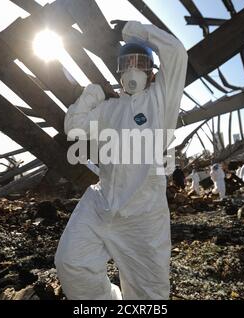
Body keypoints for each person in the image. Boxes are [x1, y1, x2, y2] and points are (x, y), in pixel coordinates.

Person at [54, 20, 188, 300]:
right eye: (126, 63)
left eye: (140, 62)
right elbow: (75, 127)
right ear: (118, 72)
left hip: (144, 215)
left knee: (149, 295)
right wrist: (92, 94)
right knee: (71, 263)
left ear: (151, 72)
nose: (132, 69)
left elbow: (176, 52)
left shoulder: (161, 101)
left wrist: (131, 29)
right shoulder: (107, 109)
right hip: (100, 204)